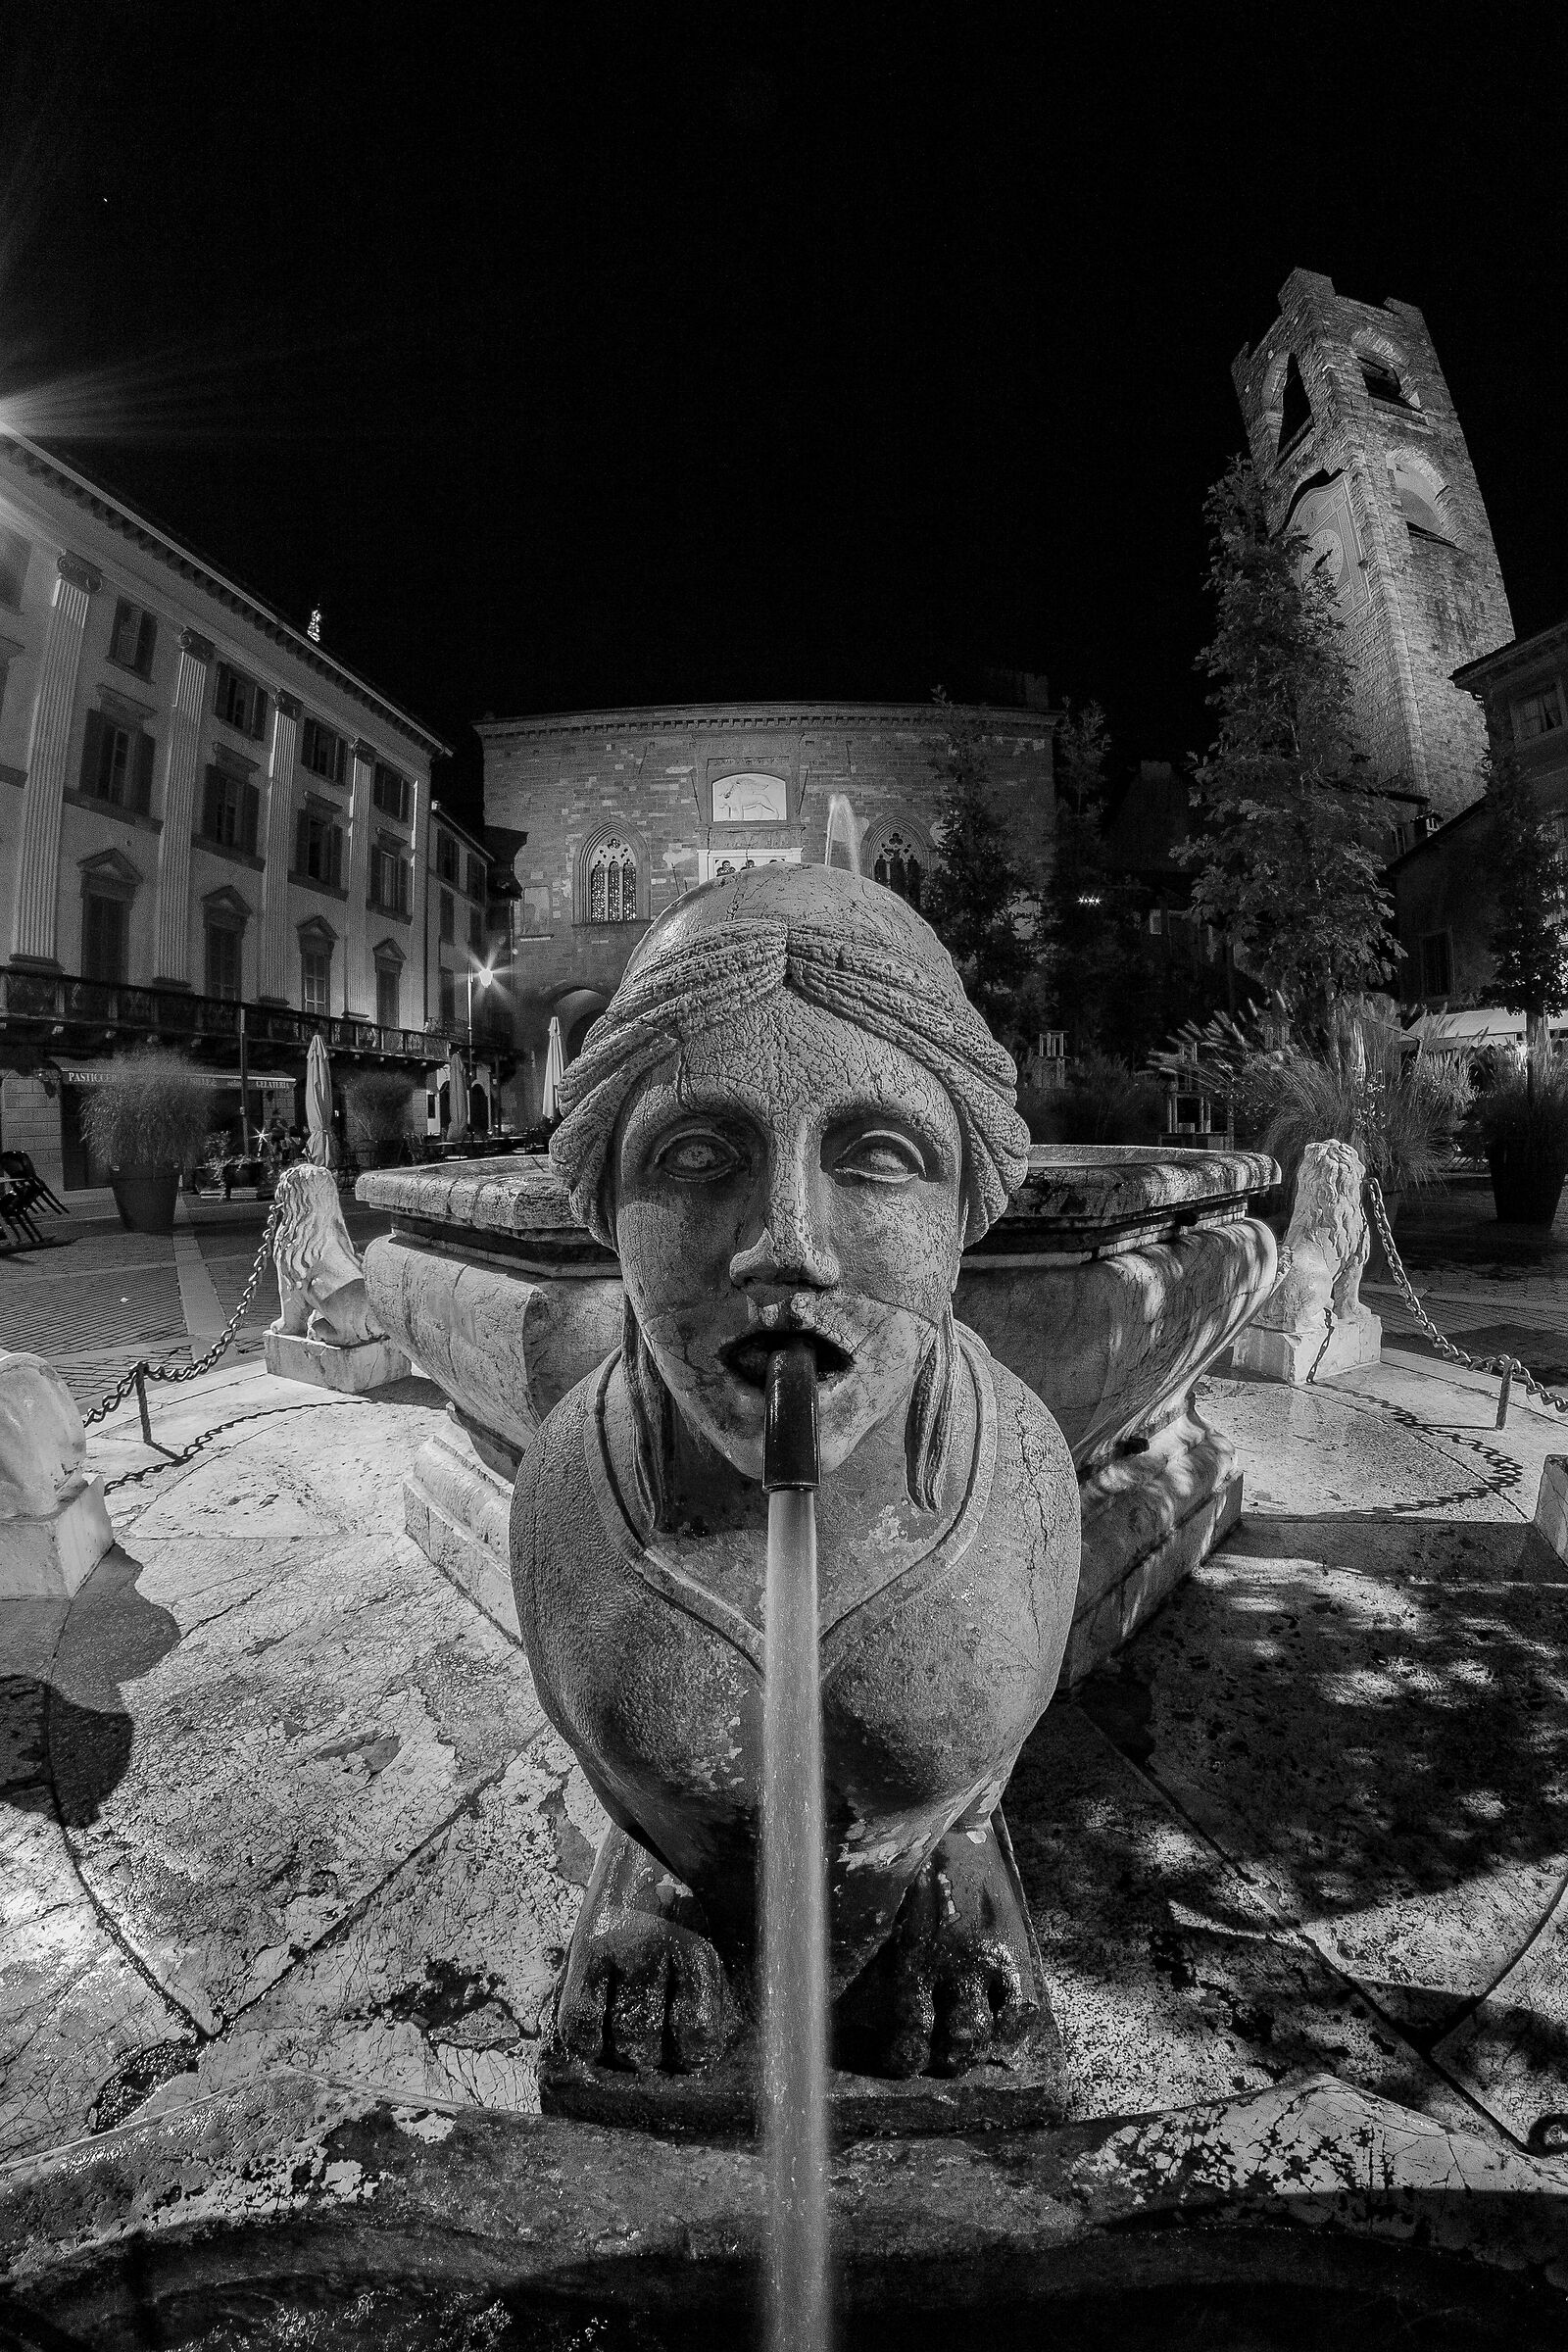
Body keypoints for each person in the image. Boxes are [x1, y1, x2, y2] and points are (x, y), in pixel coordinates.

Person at [512, 861, 1080, 2080]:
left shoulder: (1015, 1454)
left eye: (876, 1153)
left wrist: (964, 1849)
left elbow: (1001, 1730)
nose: (789, 1243)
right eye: (698, 1153)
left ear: (963, 1205)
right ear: (609, 1200)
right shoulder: (572, 1480)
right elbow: (594, 1740)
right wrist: (651, 1888)